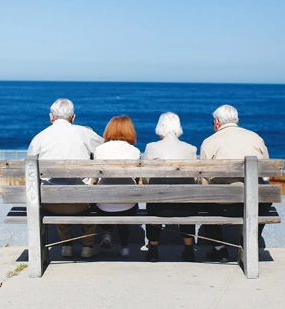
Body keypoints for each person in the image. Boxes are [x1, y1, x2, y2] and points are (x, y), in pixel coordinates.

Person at [27, 98, 104, 259]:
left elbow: (30, 170)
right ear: (73, 118)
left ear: (51, 117)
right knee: (89, 191)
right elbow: (104, 150)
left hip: (51, 204)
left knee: (55, 187)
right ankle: (87, 247)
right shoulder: (84, 133)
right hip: (81, 203)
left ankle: (67, 246)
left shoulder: (39, 138)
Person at [199, 104, 271, 262]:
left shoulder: (209, 142)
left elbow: (203, 180)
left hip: (225, 205)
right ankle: (248, 242)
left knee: (203, 200)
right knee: (264, 196)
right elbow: (266, 174)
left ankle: (219, 249)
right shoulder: (255, 138)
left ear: (217, 122)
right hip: (256, 203)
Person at [143, 112, 198, 262]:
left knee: (153, 199)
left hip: (158, 206)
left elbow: (147, 177)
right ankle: (188, 250)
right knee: (188, 198)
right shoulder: (190, 149)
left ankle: (153, 249)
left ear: (160, 127)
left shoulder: (151, 147)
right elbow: (195, 179)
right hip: (185, 207)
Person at [93, 115, 141, 258]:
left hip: (103, 205)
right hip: (127, 205)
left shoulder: (99, 150)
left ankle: (107, 233)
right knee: (124, 201)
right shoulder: (135, 151)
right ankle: (125, 247)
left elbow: (95, 178)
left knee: (105, 198)